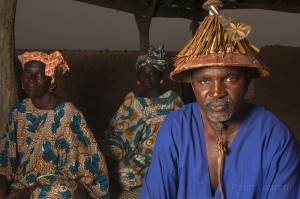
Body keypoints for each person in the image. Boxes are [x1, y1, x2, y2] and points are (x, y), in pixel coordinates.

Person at [139, 1, 300, 199]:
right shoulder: (176, 129)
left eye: (229, 78)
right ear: (193, 84)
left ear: (247, 80)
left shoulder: (275, 138)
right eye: (205, 80)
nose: (216, 92)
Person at [0, 51, 109, 199]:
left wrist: (29, 192)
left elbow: (75, 167)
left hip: (56, 184)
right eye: (27, 73)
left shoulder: (68, 113)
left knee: (63, 191)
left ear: (51, 80)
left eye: (39, 74)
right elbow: (6, 154)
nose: (31, 79)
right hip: (21, 184)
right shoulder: (18, 111)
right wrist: (3, 181)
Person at [101, 46, 184, 191]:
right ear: (137, 78)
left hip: (156, 152)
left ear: (161, 77)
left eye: (151, 74)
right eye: (142, 74)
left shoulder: (172, 99)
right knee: (101, 158)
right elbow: (118, 127)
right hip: (127, 148)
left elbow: (182, 131)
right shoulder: (132, 98)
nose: (146, 78)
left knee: (126, 174)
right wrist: (115, 146)